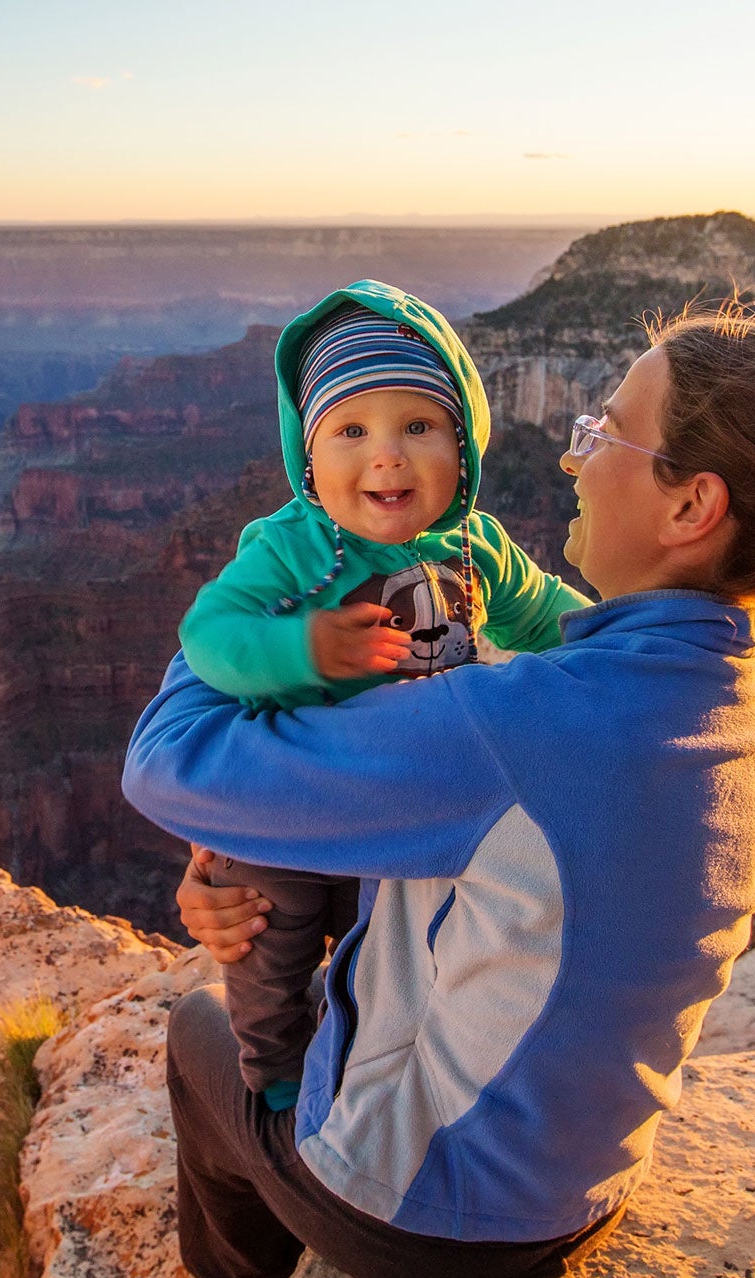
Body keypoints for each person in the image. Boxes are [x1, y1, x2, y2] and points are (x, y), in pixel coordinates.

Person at [122, 301, 755, 1278]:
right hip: (582, 1188)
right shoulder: (742, 717)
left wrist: (254, 619)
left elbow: (165, 761)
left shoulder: (517, 726)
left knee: (196, 1031)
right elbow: (526, 873)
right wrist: (266, 840)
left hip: (419, 1213)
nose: (573, 460)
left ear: (690, 507)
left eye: (605, 431)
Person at [176, 280, 587, 1112]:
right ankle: (277, 1077)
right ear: (308, 458)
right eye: (352, 430)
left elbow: (545, 613)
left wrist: (625, 645)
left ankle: (401, 1061)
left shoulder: (475, 544)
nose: (388, 455)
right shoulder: (292, 548)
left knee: (416, 952)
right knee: (268, 933)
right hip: (296, 806)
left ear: (465, 444)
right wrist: (303, 649)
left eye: (420, 426)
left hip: (416, 806)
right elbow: (210, 634)